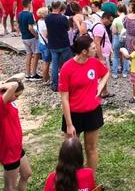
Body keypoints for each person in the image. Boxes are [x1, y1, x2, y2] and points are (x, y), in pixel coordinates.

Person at [59, 35, 109, 171]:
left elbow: (105, 73)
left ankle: (90, 181)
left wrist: (100, 86)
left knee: (91, 148)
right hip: (73, 114)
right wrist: (69, 125)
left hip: (92, 112)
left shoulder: (94, 62)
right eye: (93, 48)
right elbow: (64, 98)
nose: (96, 49)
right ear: (84, 51)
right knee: (70, 153)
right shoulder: (67, 68)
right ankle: (70, 181)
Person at [0, 75, 32, 191]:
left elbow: (19, 77)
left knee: (26, 173)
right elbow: (14, 85)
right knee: (10, 187)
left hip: (16, 145)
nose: (17, 98)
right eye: (16, 95)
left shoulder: (4, 97)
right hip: (9, 148)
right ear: (8, 91)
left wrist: (3, 83)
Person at [46, 2, 73, 92]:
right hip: (63, 44)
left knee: (54, 65)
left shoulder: (47, 17)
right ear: (59, 7)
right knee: (66, 65)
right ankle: (67, 83)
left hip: (53, 44)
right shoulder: (63, 18)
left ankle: (55, 85)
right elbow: (68, 28)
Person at [90, 12, 114, 99]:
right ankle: (99, 96)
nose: (110, 23)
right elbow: (97, 43)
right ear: (105, 18)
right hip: (102, 55)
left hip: (104, 53)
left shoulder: (98, 25)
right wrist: (101, 58)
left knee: (103, 74)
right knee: (103, 75)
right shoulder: (99, 27)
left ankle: (105, 91)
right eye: (109, 21)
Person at [17, 0, 40, 81]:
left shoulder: (19, 14)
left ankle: (27, 74)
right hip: (31, 37)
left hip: (24, 37)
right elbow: (30, 27)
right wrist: (36, 35)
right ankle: (33, 74)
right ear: (29, 4)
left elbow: (18, 25)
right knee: (36, 54)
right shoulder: (29, 15)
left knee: (28, 54)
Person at [111, 3, 129, 79]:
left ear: (117, 11)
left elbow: (114, 31)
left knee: (116, 56)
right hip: (126, 37)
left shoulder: (116, 20)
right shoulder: (128, 18)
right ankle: (125, 72)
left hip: (118, 37)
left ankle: (115, 73)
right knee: (126, 55)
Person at [35, 7, 51, 84]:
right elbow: (46, 35)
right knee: (46, 62)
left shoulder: (38, 21)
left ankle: (46, 77)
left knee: (45, 61)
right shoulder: (45, 23)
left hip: (41, 43)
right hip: (46, 44)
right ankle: (45, 78)